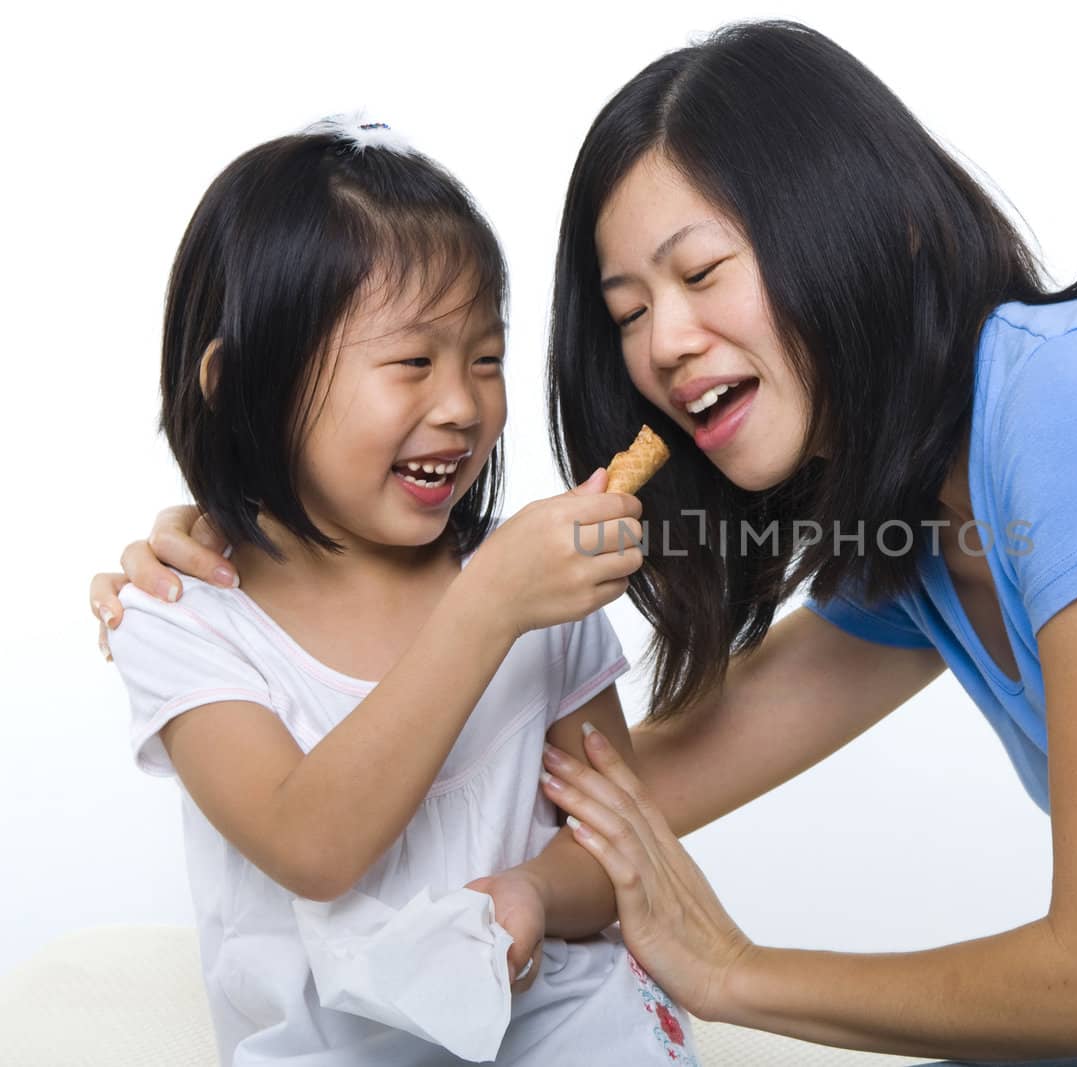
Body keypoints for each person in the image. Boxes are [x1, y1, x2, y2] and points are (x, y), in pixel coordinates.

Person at [94, 23, 1077, 1066]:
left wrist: (731, 970)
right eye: (626, 313)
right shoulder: (915, 538)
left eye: (701, 273)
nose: (666, 345)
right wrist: (267, 539)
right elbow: (642, 782)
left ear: (858, 230)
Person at [98, 117, 698, 1065]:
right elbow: (313, 843)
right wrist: (487, 606)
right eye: (413, 361)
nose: (462, 404)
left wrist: (537, 893)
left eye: (486, 358)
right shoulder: (182, 622)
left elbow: (618, 845)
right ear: (242, 383)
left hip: (559, 1025)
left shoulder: (536, 588)